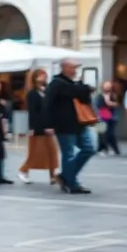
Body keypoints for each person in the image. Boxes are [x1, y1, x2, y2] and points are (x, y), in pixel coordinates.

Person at [46, 58, 96, 194]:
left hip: (80, 123)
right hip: (64, 125)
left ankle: (65, 176)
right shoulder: (56, 83)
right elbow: (48, 104)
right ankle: (71, 184)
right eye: (73, 67)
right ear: (65, 68)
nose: (75, 70)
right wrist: (48, 125)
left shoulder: (75, 83)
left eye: (76, 67)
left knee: (90, 148)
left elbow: (84, 98)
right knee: (68, 154)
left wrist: (82, 87)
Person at [18, 69, 59, 184]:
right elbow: (34, 113)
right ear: (34, 78)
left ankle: (52, 175)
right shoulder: (32, 94)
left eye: (44, 75)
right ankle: (23, 170)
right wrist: (40, 128)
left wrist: (51, 125)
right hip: (38, 128)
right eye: (40, 76)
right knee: (36, 153)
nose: (43, 78)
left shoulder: (47, 91)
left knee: (52, 152)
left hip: (48, 127)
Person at [95, 81, 121, 156]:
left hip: (111, 117)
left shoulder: (113, 95)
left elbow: (116, 104)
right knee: (102, 133)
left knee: (111, 133)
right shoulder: (99, 96)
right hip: (101, 117)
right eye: (106, 87)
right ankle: (102, 149)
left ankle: (115, 149)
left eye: (109, 87)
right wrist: (108, 104)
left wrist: (111, 104)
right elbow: (97, 105)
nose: (107, 88)